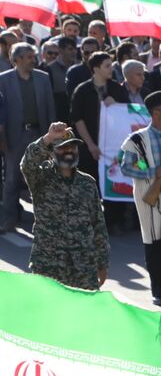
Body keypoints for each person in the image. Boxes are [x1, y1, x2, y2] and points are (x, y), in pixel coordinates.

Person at [20, 123, 109, 290]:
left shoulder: (88, 183)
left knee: (84, 306)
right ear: (51, 152)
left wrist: (102, 263)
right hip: (49, 265)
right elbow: (27, 164)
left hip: (83, 267)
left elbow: (98, 225)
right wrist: (48, 138)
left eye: (72, 147)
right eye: (62, 148)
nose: (69, 151)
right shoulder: (40, 178)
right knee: (49, 307)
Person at [120, 91, 161, 307]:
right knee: (154, 241)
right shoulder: (137, 140)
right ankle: (158, 289)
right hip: (151, 194)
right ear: (156, 112)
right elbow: (127, 167)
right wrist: (152, 172)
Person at [0, 44, 55, 232]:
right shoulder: (3, 80)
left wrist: (52, 136)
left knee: (42, 178)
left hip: (39, 134)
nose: (34, 60)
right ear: (17, 59)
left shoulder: (43, 78)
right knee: (12, 178)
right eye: (29, 57)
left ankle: (44, 220)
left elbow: (50, 108)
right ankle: (9, 218)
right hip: (14, 135)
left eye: (33, 56)